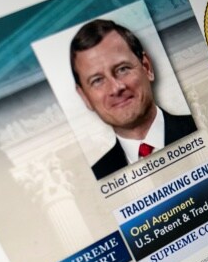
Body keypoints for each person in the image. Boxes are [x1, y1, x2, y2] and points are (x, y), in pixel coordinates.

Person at [70, 19, 197, 179]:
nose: (116, 88)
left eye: (122, 69)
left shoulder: (201, 124)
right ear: (84, 97)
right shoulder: (97, 176)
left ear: (147, 68)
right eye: (97, 80)